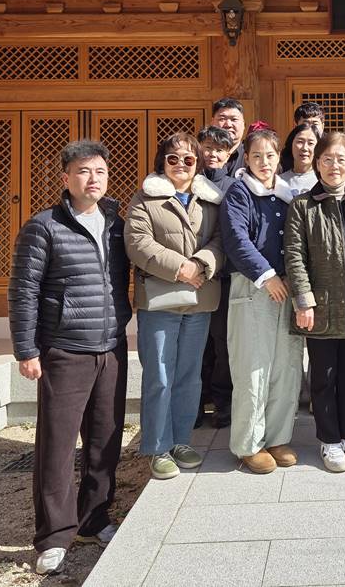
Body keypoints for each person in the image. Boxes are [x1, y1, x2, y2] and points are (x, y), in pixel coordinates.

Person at [8, 140, 132, 576]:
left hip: (110, 346)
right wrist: (26, 349)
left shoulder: (117, 224)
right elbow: (23, 291)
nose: (92, 179)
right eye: (83, 171)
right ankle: (53, 536)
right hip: (64, 349)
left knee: (105, 440)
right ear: (66, 178)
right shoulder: (43, 227)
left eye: (99, 171)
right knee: (57, 448)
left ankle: (94, 518)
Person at [124, 133, 225, 479]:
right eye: (173, 158)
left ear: (197, 164)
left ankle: (181, 440)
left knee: (189, 375)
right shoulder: (145, 198)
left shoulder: (210, 200)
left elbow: (220, 240)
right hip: (160, 301)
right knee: (159, 375)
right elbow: (137, 242)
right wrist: (181, 268)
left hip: (199, 299)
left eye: (189, 159)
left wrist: (200, 264)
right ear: (161, 162)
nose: (181, 164)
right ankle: (158, 447)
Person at [285, 132, 345, 473]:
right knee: (324, 376)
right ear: (317, 164)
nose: (334, 166)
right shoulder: (302, 206)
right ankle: (329, 440)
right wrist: (303, 301)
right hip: (322, 305)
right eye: (327, 159)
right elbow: (294, 256)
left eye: (341, 160)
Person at [221, 128, 303, 473]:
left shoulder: (287, 194)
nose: (264, 162)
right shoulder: (239, 192)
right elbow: (236, 239)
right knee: (253, 368)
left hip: (287, 288)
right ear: (246, 158)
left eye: (270, 155)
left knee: (286, 366)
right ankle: (248, 443)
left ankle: (277, 436)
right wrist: (267, 275)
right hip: (254, 287)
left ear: (278, 157)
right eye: (256, 156)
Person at [196, 125, 236, 428]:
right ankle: (196, 402)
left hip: (223, 277)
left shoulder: (234, 187)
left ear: (229, 154)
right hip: (194, 275)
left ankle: (223, 402)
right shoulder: (188, 181)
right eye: (208, 147)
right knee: (197, 344)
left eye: (219, 149)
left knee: (223, 343)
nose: (213, 154)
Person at [280, 122, 320, 196]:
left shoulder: (323, 180)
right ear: (291, 144)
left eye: (310, 143)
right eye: (300, 142)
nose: (305, 148)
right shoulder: (279, 181)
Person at [212, 98, 247, 176]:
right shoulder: (201, 155)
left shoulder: (251, 154)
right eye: (222, 119)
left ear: (244, 124)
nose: (228, 124)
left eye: (234, 119)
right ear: (212, 122)